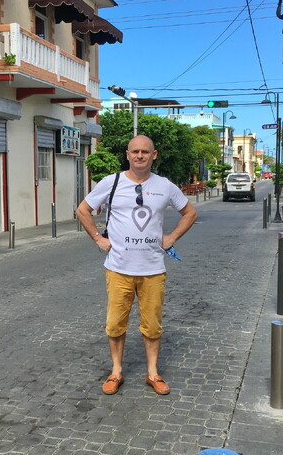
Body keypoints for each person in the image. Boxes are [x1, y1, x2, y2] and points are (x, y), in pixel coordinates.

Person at [76, 135, 198, 395]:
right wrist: (98, 238)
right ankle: (116, 371)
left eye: (145, 151)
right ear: (127, 154)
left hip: (152, 270)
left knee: (152, 325)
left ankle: (153, 373)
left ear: (154, 155)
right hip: (118, 268)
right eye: (135, 151)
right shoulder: (111, 182)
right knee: (115, 324)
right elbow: (82, 210)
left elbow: (190, 213)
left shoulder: (165, 186)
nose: (140, 155)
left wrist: (171, 237)